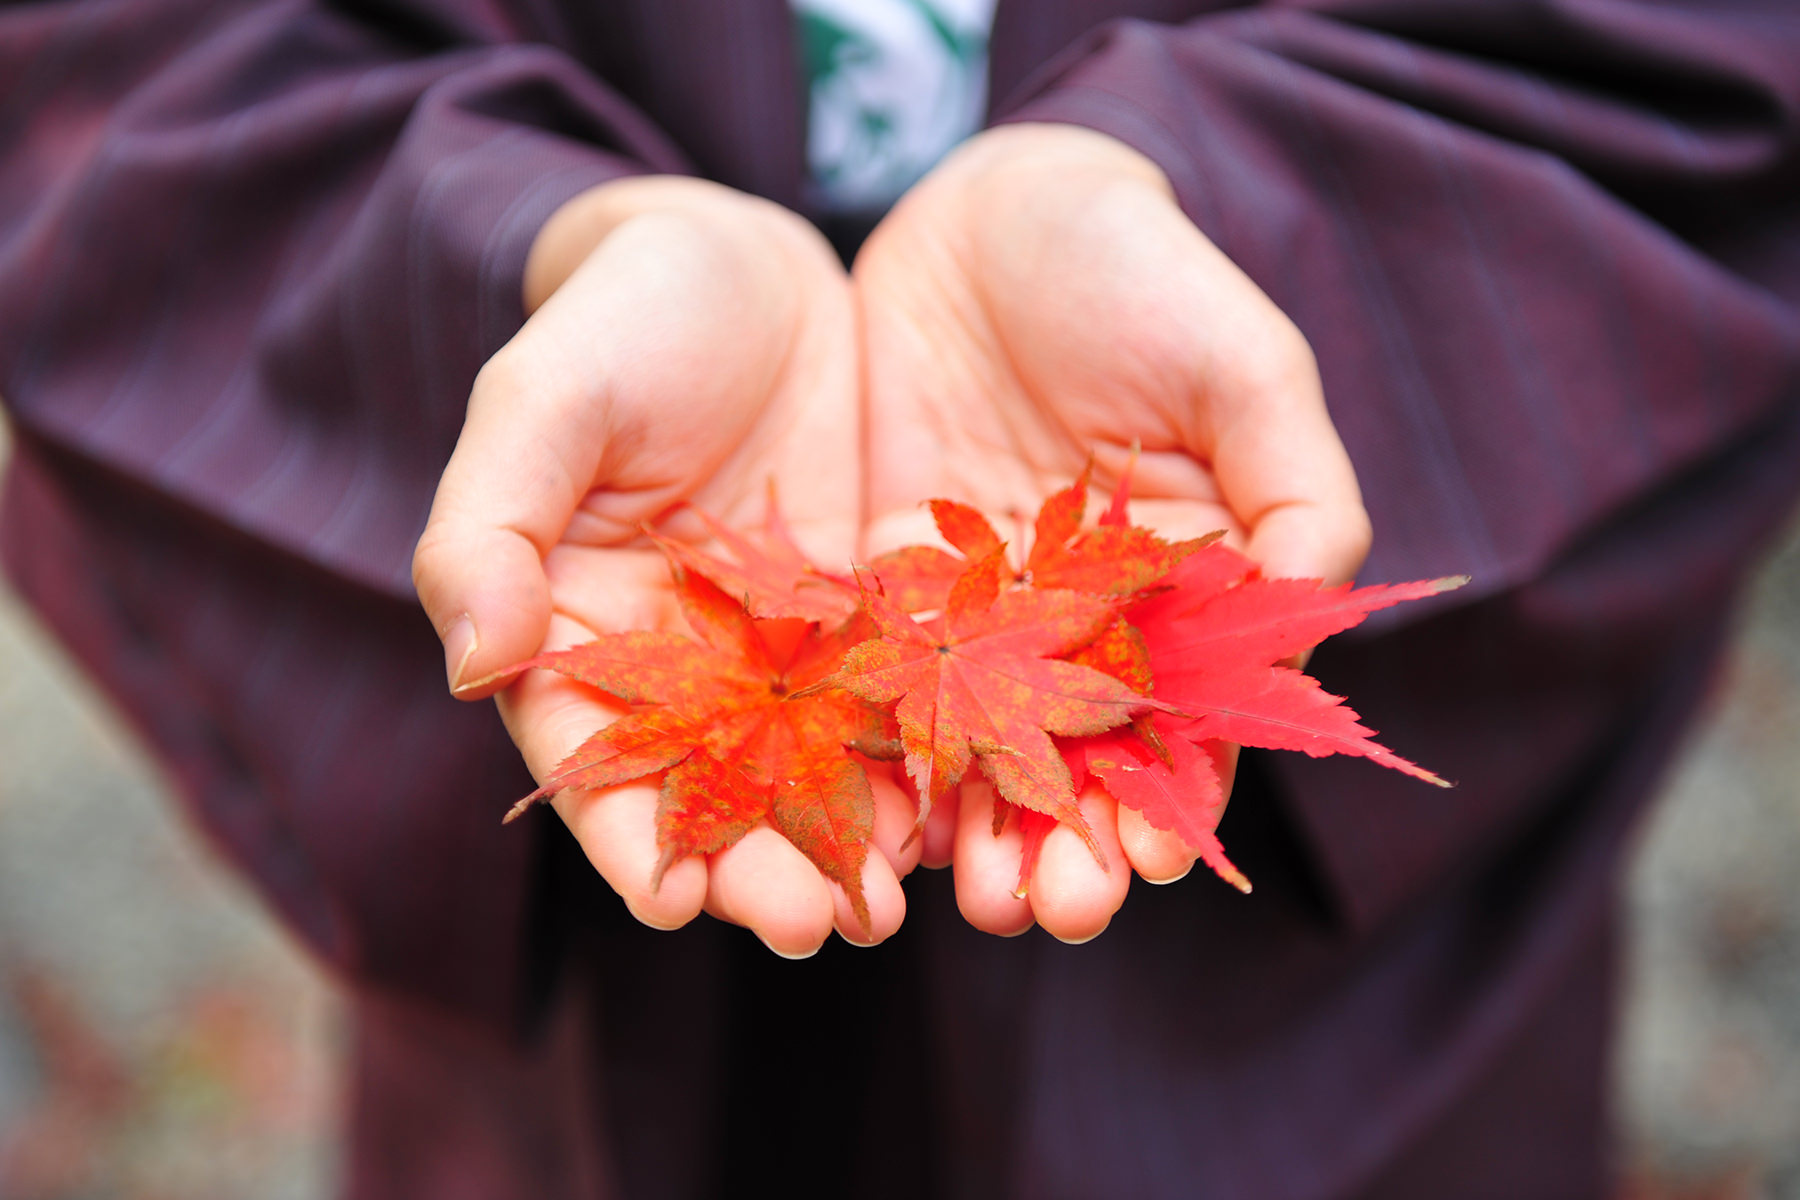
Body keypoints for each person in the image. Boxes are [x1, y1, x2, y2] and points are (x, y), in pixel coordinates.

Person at [2, 1, 1797, 1196]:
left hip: (1337, 1028)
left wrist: (1222, 187)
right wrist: (539, 242)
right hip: (584, 1048)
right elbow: (111, 68)